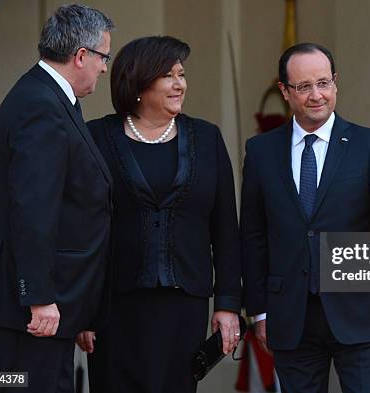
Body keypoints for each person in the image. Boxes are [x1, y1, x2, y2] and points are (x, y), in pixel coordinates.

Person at [241, 43, 370, 393]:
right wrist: (259, 311)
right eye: (304, 86)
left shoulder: (367, 145)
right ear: (285, 91)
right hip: (291, 316)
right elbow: (253, 235)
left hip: (359, 311)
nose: (316, 95)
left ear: (335, 83)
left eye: (323, 83)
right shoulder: (261, 151)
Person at [0, 4, 114, 393]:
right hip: (30, 311)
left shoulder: (50, 98)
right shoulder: (41, 105)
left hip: (44, 307)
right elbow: (33, 209)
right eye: (103, 58)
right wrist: (41, 298)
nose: (103, 68)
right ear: (81, 56)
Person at [81, 36, 241, 393]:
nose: (179, 84)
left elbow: (226, 228)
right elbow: (80, 230)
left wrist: (228, 303)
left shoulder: (207, 138)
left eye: (181, 74)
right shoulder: (94, 138)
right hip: (114, 307)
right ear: (139, 82)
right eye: (168, 75)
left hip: (184, 306)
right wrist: (81, 308)